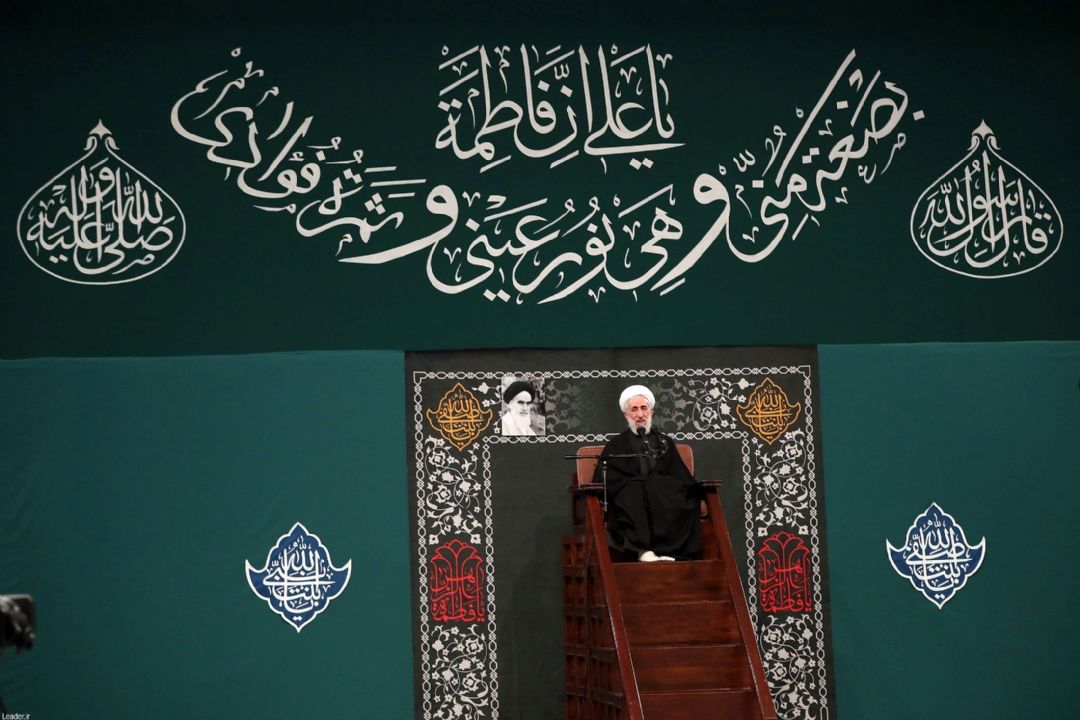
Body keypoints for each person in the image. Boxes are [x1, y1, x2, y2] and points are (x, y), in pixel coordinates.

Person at [593, 384, 702, 562]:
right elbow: (607, 481)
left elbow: (680, 477)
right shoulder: (616, 445)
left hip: (660, 494)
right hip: (633, 496)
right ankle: (643, 551)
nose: (640, 414)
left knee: (669, 490)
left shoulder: (664, 442)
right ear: (626, 415)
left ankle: (670, 551)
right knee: (633, 491)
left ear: (651, 411)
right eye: (634, 409)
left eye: (644, 408)